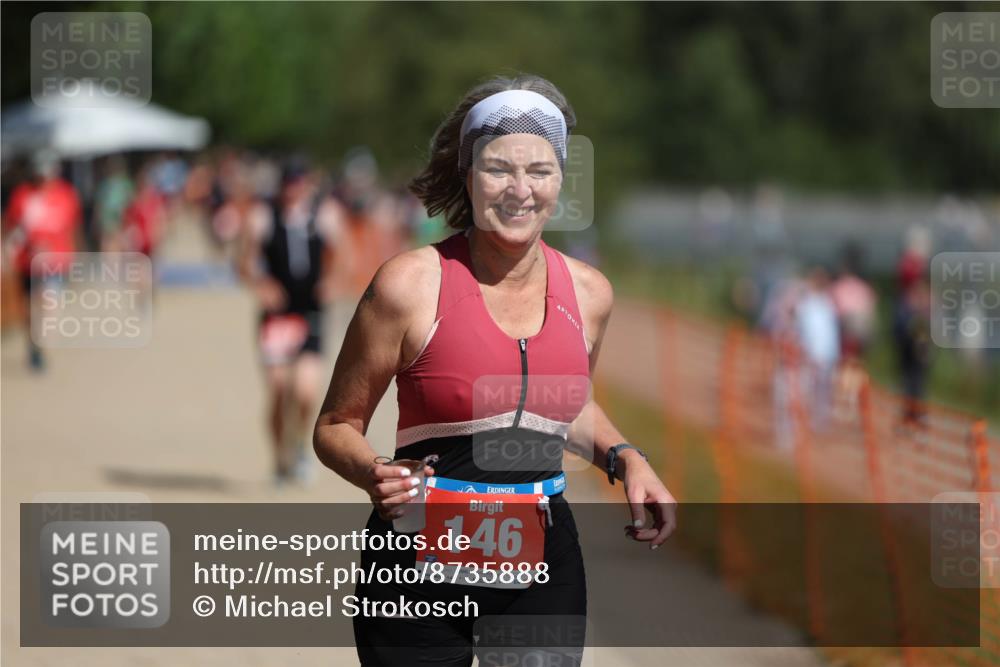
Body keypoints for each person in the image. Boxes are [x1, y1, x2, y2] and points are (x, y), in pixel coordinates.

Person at [313, 75, 677, 667]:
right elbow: (334, 426)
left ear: (562, 180)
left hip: (542, 560)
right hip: (416, 558)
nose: (519, 189)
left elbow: (567, 404)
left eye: (539, 171)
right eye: (498, 168)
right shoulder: (408, 285)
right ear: (467, 176)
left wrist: (626, 457)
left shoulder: (589, 294)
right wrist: (374, 472)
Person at [239, 159, 345, 485]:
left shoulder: (324, 214)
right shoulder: (263, 216)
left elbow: (345, 256)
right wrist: (262, 285)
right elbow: (243, 259)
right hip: (277, 316)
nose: (293, 189)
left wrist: (331, 281)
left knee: (305, 391)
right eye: (289, 182)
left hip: (310, 311)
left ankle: (298, 444)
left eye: (299, 182)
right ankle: (279, 458)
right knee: (278, 388)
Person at [2, 150, 82, 371]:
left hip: (55, 262)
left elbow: (71, 227)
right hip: (27, 261)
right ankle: (34, 344)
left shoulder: (66, 194)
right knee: (29, 308)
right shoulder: (22, 195)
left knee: (48, 304)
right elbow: (12, 226)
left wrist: (73, 256)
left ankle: (40, 343)